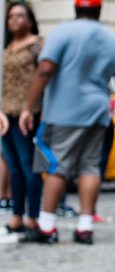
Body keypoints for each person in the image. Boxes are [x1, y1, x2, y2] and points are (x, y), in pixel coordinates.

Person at [19, 0, 115, 245]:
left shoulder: (62, 32)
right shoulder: (114, 41)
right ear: (99, 10)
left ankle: (46, 226)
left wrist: (29, 107)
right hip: (98, 112)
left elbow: (45, 69)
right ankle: (85, 227)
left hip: (64, 111)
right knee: (90, 167)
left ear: (76, 8)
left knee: (57, 166)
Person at [2, 1, 43, 234]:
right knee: (14, 167)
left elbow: (44, 77)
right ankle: (17, 215)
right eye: (11, 16)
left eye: (19, 15)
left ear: (29, 20)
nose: (14, 20)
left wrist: (33, 108)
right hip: (5, 114)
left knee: (29, 166)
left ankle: (33, 217)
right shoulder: (7, 47)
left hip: (27, 114)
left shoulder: (37, 44)